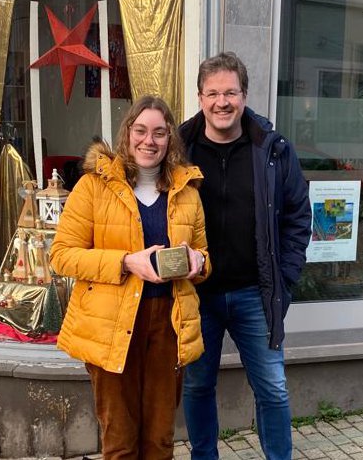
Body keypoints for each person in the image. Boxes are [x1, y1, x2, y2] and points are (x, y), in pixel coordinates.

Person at [50, 95, 211, 460]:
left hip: (168, 327)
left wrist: (197, 263)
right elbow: (61, 255)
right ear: (128, 133)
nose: (148, 141)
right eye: (140, 130)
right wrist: (125, 262)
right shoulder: (95, 186)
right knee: (120, 443)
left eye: (158, 132)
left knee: (159, 441)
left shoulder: (187, 192)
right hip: (112, 327)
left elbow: (205, 256)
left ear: (170, 138)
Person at [179, 52, 311, 460]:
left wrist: (284, 279)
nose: (223, 102)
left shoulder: (271, 149)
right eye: (213, 93)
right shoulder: (179, 150)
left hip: (256, 293)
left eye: (231, 92)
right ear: (200, 98)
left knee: (272, 388)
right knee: (198, 385)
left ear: (244, 95)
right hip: (197, 296)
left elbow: (298, 216)